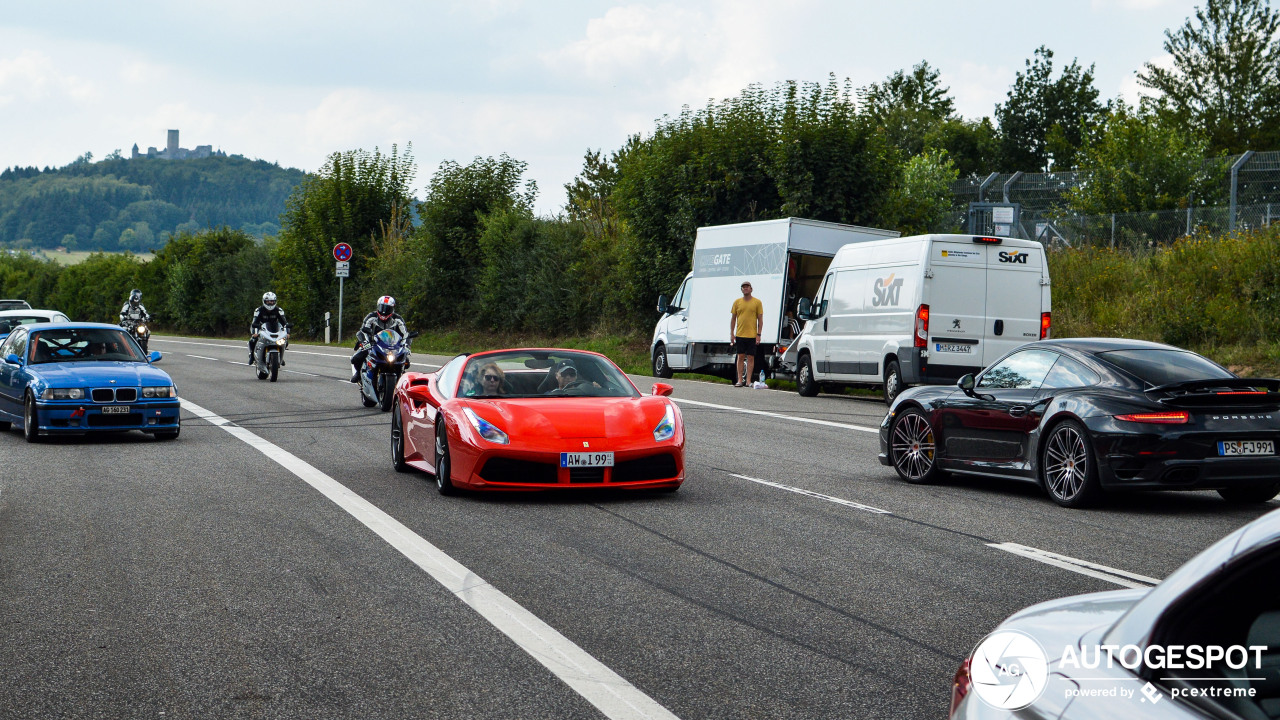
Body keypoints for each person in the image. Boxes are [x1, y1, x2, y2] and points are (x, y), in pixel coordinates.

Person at [350, 295, 409, 382]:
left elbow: (405, 334)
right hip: (373, 343)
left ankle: (400, 379)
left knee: (406, 362)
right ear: (378, 307)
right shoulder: (371, 317)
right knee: (356, 358)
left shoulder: (398, 319)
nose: (384, 312)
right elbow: (363, 330)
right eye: (382, 308)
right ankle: (358, 373)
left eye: (387, 309)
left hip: (392, 346)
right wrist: (366, 342)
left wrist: (406, 345)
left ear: (392, 309)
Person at [729, 281, 764, 387]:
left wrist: (759, 334)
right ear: (741, 290)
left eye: (747, 287)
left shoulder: (757, 302)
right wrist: (732, 333)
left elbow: (760, 320)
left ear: (751, 289)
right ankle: (740, 380)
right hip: (740, 334)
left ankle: (748, 380)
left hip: (752, 335)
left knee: (751, 357)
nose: (745, 289)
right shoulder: (737, 302)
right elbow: (733, 319)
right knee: (740, 356)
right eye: (743, 287)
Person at [248, 292, 289, 365]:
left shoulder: (279, 310)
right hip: (261, 329)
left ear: (275, 301)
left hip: (275, 329)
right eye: (268, 301)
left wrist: (287, 332)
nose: (270, 303)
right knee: (252, 340)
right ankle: (252, 356)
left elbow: (284, 322)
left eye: (272, 301)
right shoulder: (258, 310)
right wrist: (254, 333)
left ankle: (280, 357)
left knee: (284, 341)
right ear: (264, 301)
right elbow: (255, 322)